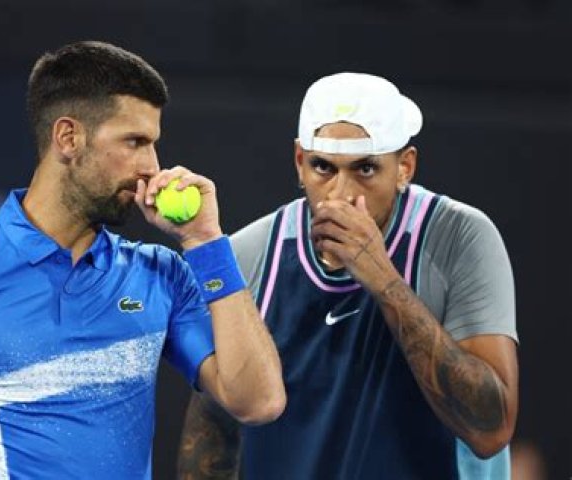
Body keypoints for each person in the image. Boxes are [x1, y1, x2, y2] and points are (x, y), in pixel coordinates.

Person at [0, 41, 285, 479]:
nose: (152, 167)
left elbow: (258, 402)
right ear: (68, 138)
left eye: (153, 144)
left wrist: (206, 240)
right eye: (135, 142)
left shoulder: (162, 275)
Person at [178, 72, 519, 479]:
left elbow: (491, 430)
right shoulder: (248, 255)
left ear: (405, 167)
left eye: (366, 169)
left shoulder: (460, 237)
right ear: (300, 162)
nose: (340, 194)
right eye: (323, 167)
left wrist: (382, 278)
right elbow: (213, 435)